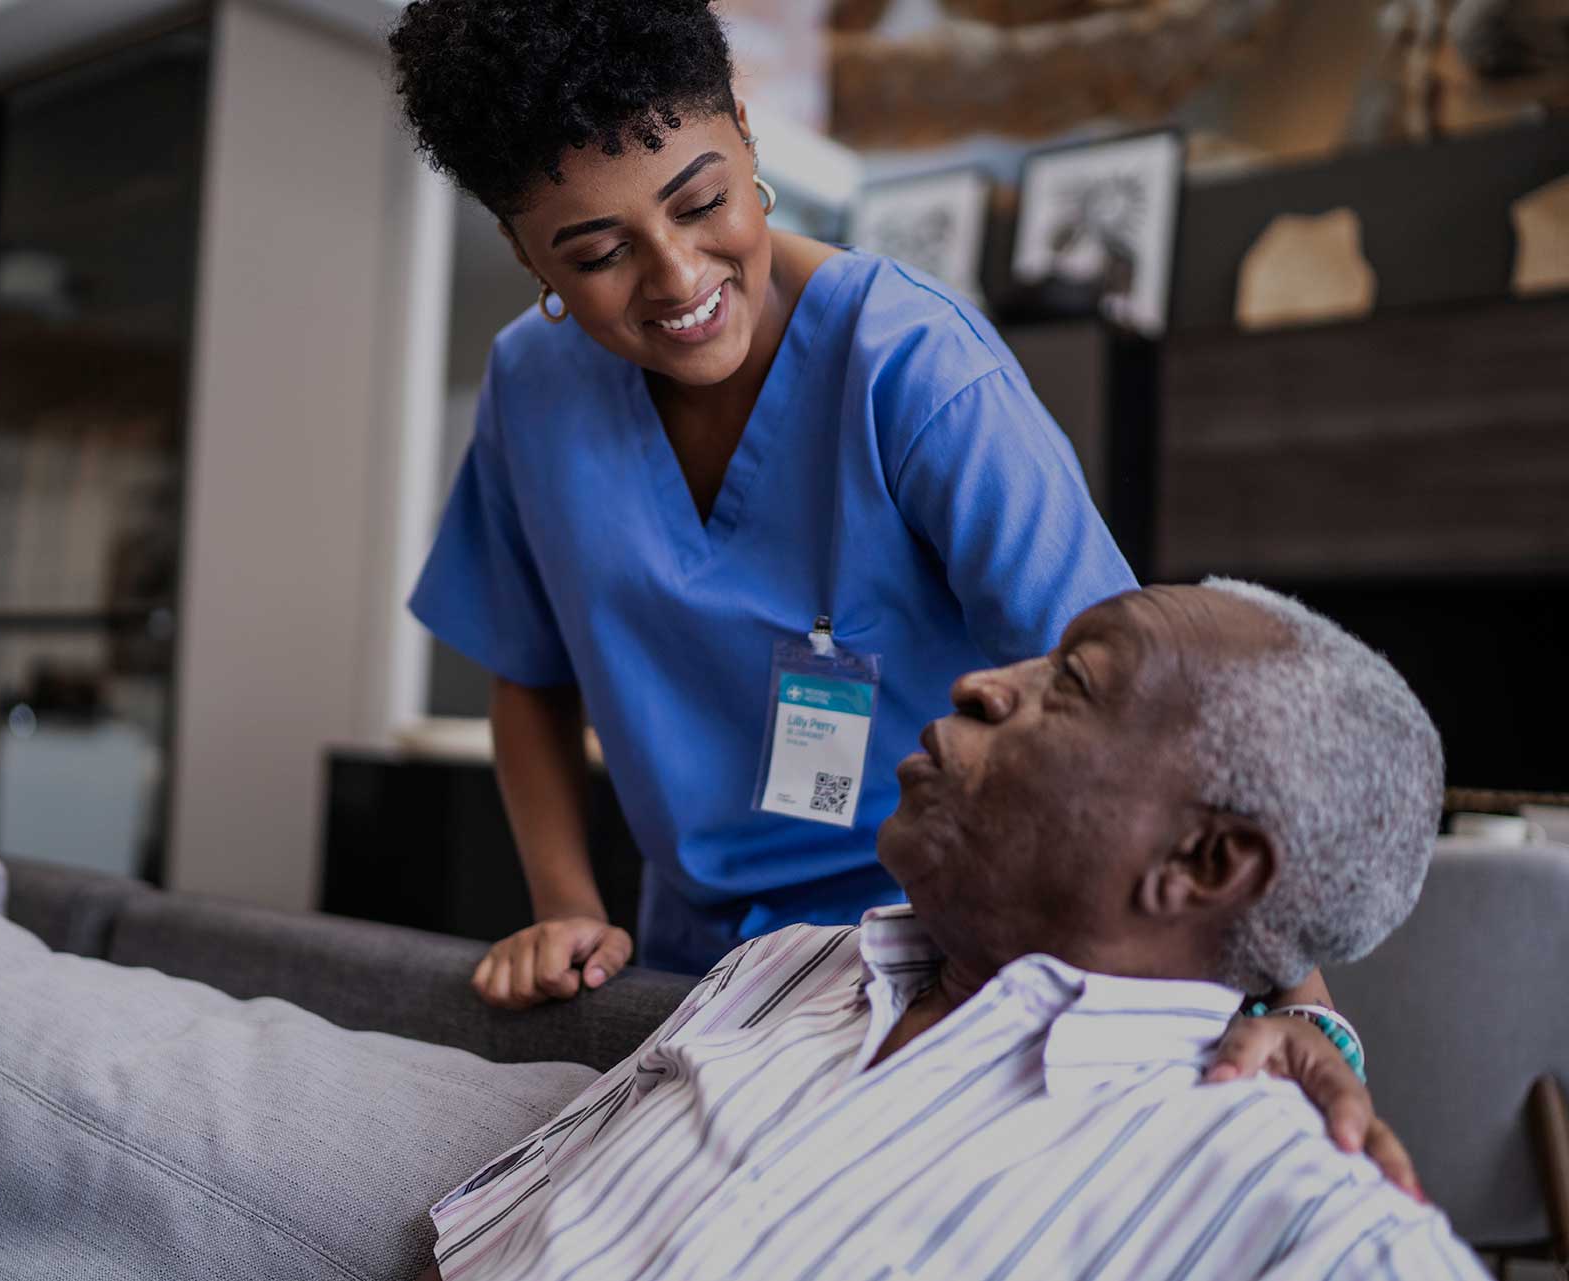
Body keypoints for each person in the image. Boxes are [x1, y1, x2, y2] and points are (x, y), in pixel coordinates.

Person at [392, 0, 1141, 995]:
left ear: (743, 131)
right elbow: (529, 676)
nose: (677, 276)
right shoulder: (532, 387)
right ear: (527, 254)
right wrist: (567, 906)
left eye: (700, 203)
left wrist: (1292, 1004)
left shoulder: (918, 370)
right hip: (692, 969)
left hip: (941, 954)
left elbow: (1125, 711)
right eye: (599, 254)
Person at [414, 581, 1477, 1280]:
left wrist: (1318, 1031)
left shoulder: (1308, 1220)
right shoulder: (782, 969)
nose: (977, 680)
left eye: (1075, 682)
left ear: (1202, 864)